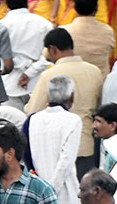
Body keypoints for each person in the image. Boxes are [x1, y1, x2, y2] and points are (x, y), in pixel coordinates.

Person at [26, 29, 105, 175]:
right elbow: (99, 107)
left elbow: (32, 111)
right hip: (85, 146)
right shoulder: (94, 72)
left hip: (57, 148)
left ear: (53, 50)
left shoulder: (49, 75)